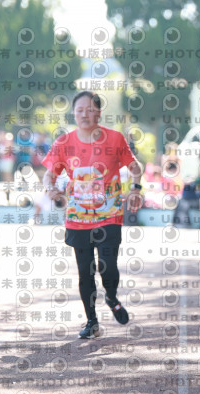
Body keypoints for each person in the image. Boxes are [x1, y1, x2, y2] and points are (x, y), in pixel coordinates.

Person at [41, 91, 143, 339]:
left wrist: (135, 189)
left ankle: (112, 297)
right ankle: (92, 321)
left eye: (90, 110)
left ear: (99, 112)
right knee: (85, 271)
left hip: (109, 215)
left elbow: (135, 168)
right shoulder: (64, 142)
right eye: (79, 110)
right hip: (78, 218)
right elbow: (49, 175)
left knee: (108, 267)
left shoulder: (115, 139)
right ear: (73, 113)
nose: (84, 114)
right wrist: (50, 188)